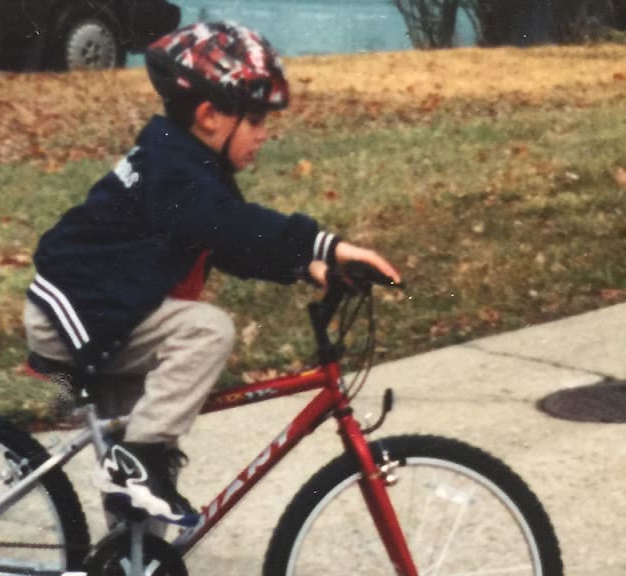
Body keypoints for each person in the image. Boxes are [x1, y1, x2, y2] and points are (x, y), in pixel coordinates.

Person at [23, 21, 401, 526]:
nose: (265, 134)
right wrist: (324, 244)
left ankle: (135, 542)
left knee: (147, 461)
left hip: (99, 315)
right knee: (206, 331)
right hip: (79, 318)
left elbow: (226, 241)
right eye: (257, 119)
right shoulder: (178, 172)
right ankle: (135, 473)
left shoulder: (183, 163)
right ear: (210, 115)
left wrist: (305, 266)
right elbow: (231, 225)